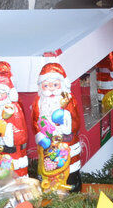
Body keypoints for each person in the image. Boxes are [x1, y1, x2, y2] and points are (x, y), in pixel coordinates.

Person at [32, 61, 82, 191]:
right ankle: (49, 189)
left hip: (67, 143)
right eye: (46, 85)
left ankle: (72, 187)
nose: (51, 89)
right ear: (41, 86)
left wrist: (65, 116)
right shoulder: (39, 102)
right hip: (47, 145)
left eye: (55, 84)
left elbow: (76, 122)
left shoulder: (68, 100)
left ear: (62, 84)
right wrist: (40, 136)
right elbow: (35, 121)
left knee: (70, 169)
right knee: (48, 169)